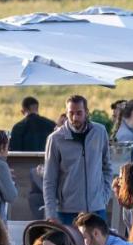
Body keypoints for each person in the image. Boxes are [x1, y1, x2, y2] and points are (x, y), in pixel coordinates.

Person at [42, 95, 112, 225]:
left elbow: (107, 167)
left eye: (79, 113)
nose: (75, 117)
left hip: (96, 209)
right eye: (71, 113)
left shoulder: (100, 132)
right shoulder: (55, 139)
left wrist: (104, 197)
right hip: (67, 211)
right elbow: (49, 179)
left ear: (86, 112)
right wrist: (51, 213)